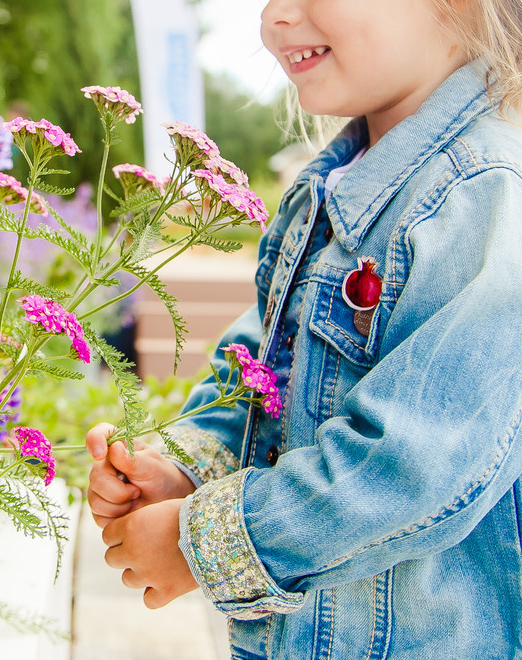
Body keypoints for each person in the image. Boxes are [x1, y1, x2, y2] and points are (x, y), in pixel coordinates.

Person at [86, 0, 522, 657]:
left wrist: (204, 542)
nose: (274, 17)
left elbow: (413, 465)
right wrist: (184, 470)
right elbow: (264, 367)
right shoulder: (333, 188)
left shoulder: (487, 195)